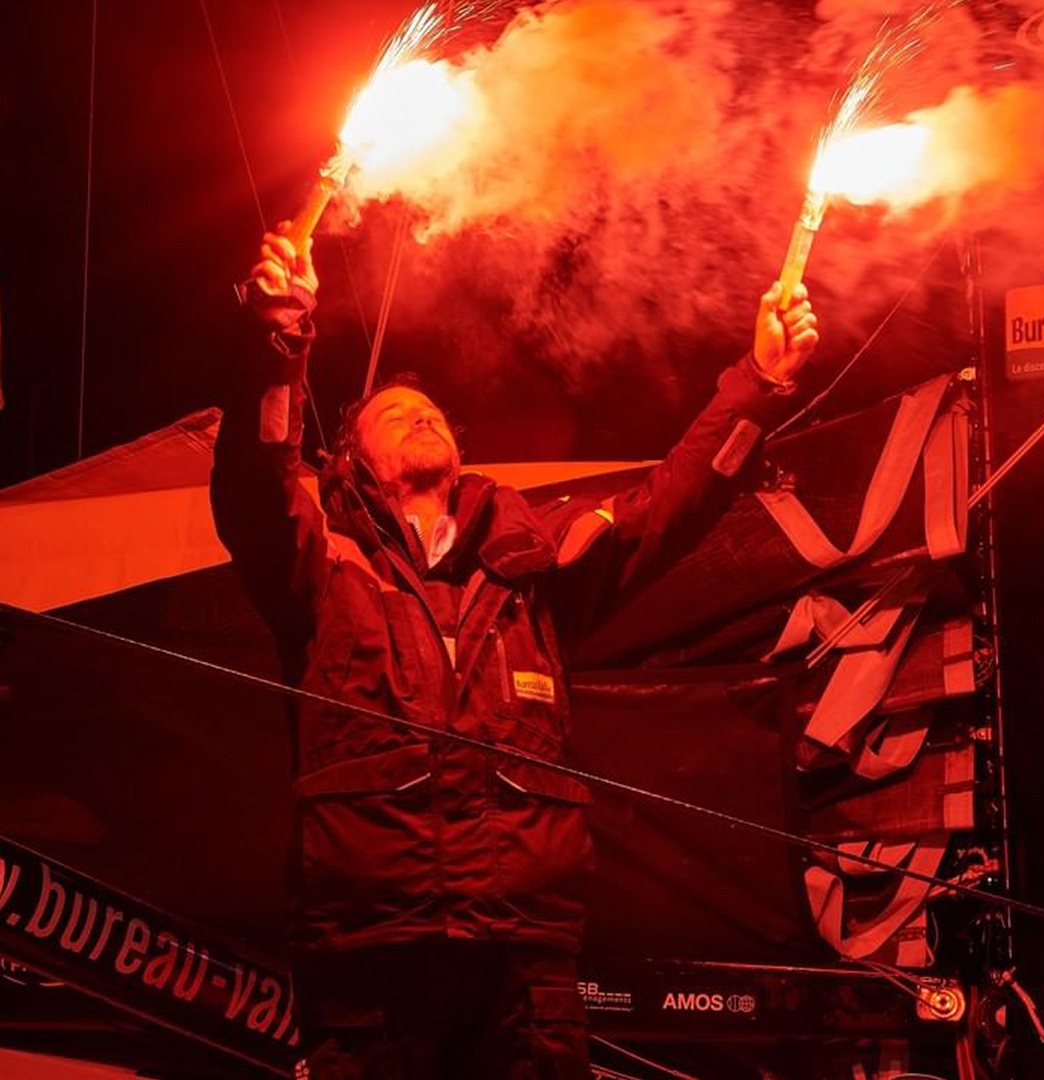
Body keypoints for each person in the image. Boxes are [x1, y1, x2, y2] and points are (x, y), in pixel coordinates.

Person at [211, 223, 818, 1080]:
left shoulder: (534, 574)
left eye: (430, 413)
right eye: (393, 416)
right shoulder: (320, 569)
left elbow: (671, 506)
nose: (419, 414)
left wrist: (759, 385)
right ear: (353, 465)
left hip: (527, 960)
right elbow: (256, 474)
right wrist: (281, 337)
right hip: (370, 954)